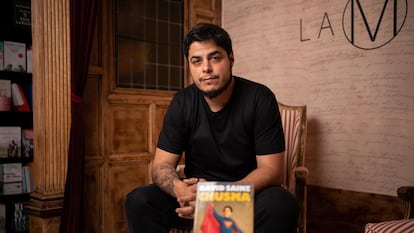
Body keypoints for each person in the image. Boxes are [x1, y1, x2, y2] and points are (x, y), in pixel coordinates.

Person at [125, 23, 299, 233]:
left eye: (215, 58)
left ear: (231, 58)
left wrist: (217, 199)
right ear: (189, 65)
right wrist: (183, 191)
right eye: (196, 61)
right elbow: (160, 166)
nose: (206, 68)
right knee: (139, 201)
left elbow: (272, 171)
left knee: (282, 205)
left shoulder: (260, 98)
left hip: (243, 191)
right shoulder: (182, 103)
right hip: (193, 197)